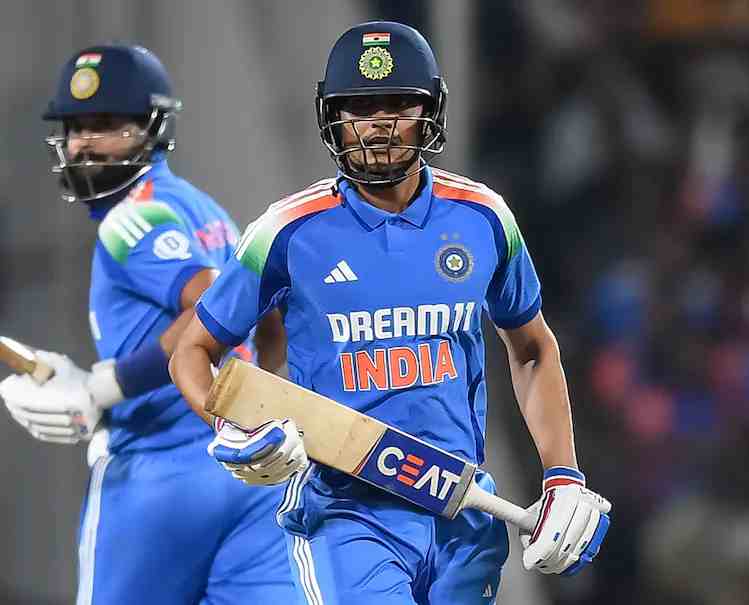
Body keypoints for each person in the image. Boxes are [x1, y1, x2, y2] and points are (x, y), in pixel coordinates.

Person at [170, 21, 611, 604]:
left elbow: (531, 349)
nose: (378, 124)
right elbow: (192, 350)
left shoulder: (484, 217)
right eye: (359, 107)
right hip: (345, 512)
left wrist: (562, 476)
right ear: (333, 116)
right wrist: (228, 427)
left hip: (464, 514)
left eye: (397, 105)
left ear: (430, 111)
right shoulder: (285, 230)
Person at [0, 44, 294, 603]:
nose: (82, 144)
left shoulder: (131, 218)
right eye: (75, 128)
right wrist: (265, 391)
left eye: (104, 125)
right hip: (248, 469)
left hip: (158, 473)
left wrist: (108, 385)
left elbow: (210, 305)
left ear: (151, 129)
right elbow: (268, 312)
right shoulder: (206, 209)